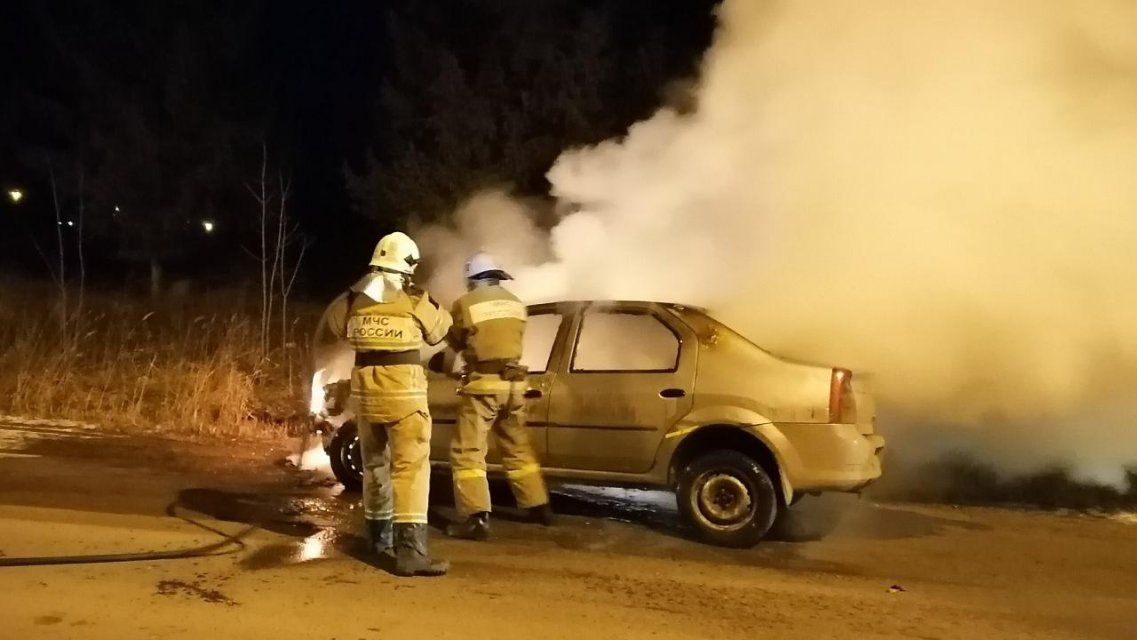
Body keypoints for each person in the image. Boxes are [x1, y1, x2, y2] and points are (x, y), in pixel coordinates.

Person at [319, 231, 453, 576]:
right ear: (408, 265)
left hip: (367, 398)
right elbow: (441, 331)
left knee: (375, 466)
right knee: (410, 470)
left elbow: (329, 328)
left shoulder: (351, 300)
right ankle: (410, 551)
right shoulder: (413, 298)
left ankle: (378, 541)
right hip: (404, 398)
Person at [445, 252, 552, 540]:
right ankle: (538, 505)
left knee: (467, 451)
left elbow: (454, 339)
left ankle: (475, 518)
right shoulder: (517, 303)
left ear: (472, 279)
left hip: (484, 387)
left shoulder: (465, 304)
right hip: (515, 386)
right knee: (517, 445)